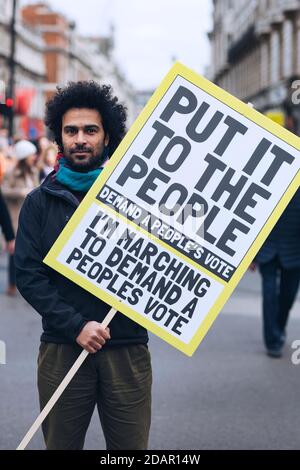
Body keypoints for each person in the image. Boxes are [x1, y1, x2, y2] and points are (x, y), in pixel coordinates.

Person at [14, 81, 152, 450]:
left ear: (107, 136)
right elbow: (27, 275)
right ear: (59, 136)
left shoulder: (135, 201)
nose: (80, 139)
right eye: (71, 131)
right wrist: (76, 326)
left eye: (90, 130)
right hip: (63, 348)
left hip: (126, 348)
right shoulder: (39, 202)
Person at [251, 188, 300, 358]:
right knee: (269, 294)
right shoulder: (273, 179)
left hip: (295, 251)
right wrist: (250, 255)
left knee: (288, 296)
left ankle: (278, 327)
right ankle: (272, 341)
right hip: (267, 249)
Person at [2, 140, 39, 295]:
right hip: (15, 215)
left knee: (31, 250)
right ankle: (12, 283)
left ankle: (29, 283)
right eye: (31, 155)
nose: (34, 158)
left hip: (32, 215)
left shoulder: (34, 171)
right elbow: (3, 191)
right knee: (15, 250)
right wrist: (21, 191)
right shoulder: (11, 172)